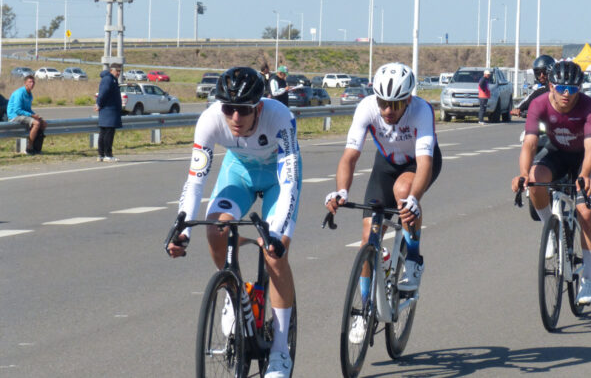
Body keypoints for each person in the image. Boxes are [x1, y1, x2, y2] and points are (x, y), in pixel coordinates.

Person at [166, 67, 301, 378]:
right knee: (215, 229)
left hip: (277, 179)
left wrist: (276, 234)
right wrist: (182, 230)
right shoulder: (210, 120)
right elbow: (195, 181)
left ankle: (280, 350)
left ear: (259, 108)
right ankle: (233, 293)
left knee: (274, 254)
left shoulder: (280, 117)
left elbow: (290, 181)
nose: (235, 117)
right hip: (239, 172)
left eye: (244, 110)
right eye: (229, 109)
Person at [325, 62, 442, 344]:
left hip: (419, 164)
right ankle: (364, 310)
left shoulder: (421, 110)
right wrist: (341, 191)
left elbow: (425, 162)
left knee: (403, 191)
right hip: (386, 165)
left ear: (408, 99)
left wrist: (414, 199)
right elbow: (350, 156)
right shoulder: (366, 108)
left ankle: (413, 259)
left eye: (396, 104)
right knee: (369, 238)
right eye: (383, 103)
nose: (388, 110)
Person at [510, 60, 591, 305]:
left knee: (586, 214)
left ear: (579, 88)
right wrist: (522, 173)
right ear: (551, 86)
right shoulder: (539, 104)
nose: (566, 94)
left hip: (584, 159)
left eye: (572, 89)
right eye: (561, 88)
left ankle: (588, 280)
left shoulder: (588, 106)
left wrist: (585, 174)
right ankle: (550, 228)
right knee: (534, 179)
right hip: (557, 153)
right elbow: (530, 143)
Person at [7, 74, 47, 155]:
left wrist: (36, 116)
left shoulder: (30, 94)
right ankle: (29, 147)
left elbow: (28, 109)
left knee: (43, 123)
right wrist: (32, 116)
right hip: (15, 116)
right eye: (30, 82)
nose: (32, 84)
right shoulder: (19, 93)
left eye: (33, 82)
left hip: (23, 116)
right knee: (36, 123)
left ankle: (37, 148)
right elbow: (17, 110)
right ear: (25, 83)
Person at [95, 63, 123, 162]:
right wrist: (98, 104)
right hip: (109, 110)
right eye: (117, 71)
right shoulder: (108, 79)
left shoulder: (111, 79)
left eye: (120, 71)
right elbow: (103, 92)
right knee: (108, 133)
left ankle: (101, 155)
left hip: (108, 110)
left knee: (104, 133)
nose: (118, 73)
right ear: (111, 70)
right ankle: (108, 155)